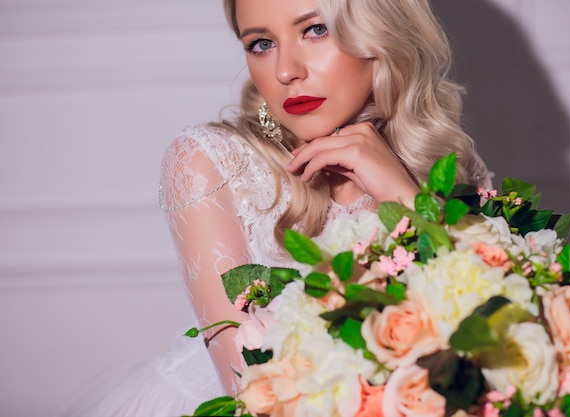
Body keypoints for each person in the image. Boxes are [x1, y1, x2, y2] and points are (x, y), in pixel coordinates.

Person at [57, 0, 492, 415]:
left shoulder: (451, 167)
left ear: (383, 30)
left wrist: (402, 198)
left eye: (315, 30)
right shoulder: (209, 162)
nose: (286, 71)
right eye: (260, 44)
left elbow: (493, 339)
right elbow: (250, 392)